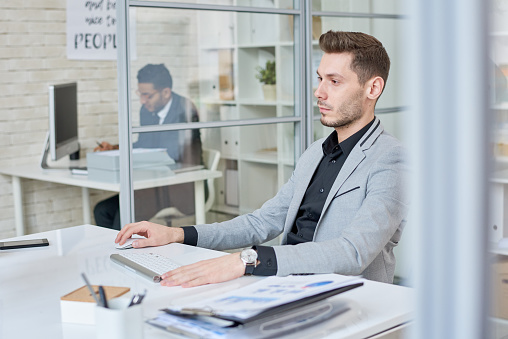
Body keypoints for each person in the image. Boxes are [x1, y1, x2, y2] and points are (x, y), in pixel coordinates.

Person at [116, 31, 409, 287]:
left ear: (373, 88)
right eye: (320, 79)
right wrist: (177, 234)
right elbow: (261, 223)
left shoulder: (391, 160)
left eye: (334, 81)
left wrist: (247, 261)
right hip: (284, 285)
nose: (319, 92)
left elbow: (353, 252)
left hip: (345, 300)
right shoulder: (315, 153)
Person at [94, 64, 202, 230]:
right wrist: (114, 148)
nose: (142, 101)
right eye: (140, 95)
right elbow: (144, 145)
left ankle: (125, 253)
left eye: (147, 95)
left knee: (124, 216)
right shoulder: (148, 110)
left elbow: (171, 155)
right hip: (150, 185)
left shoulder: (184, 110)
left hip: (178, 187)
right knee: (102, 210)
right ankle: (115, 253)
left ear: (165, 92)